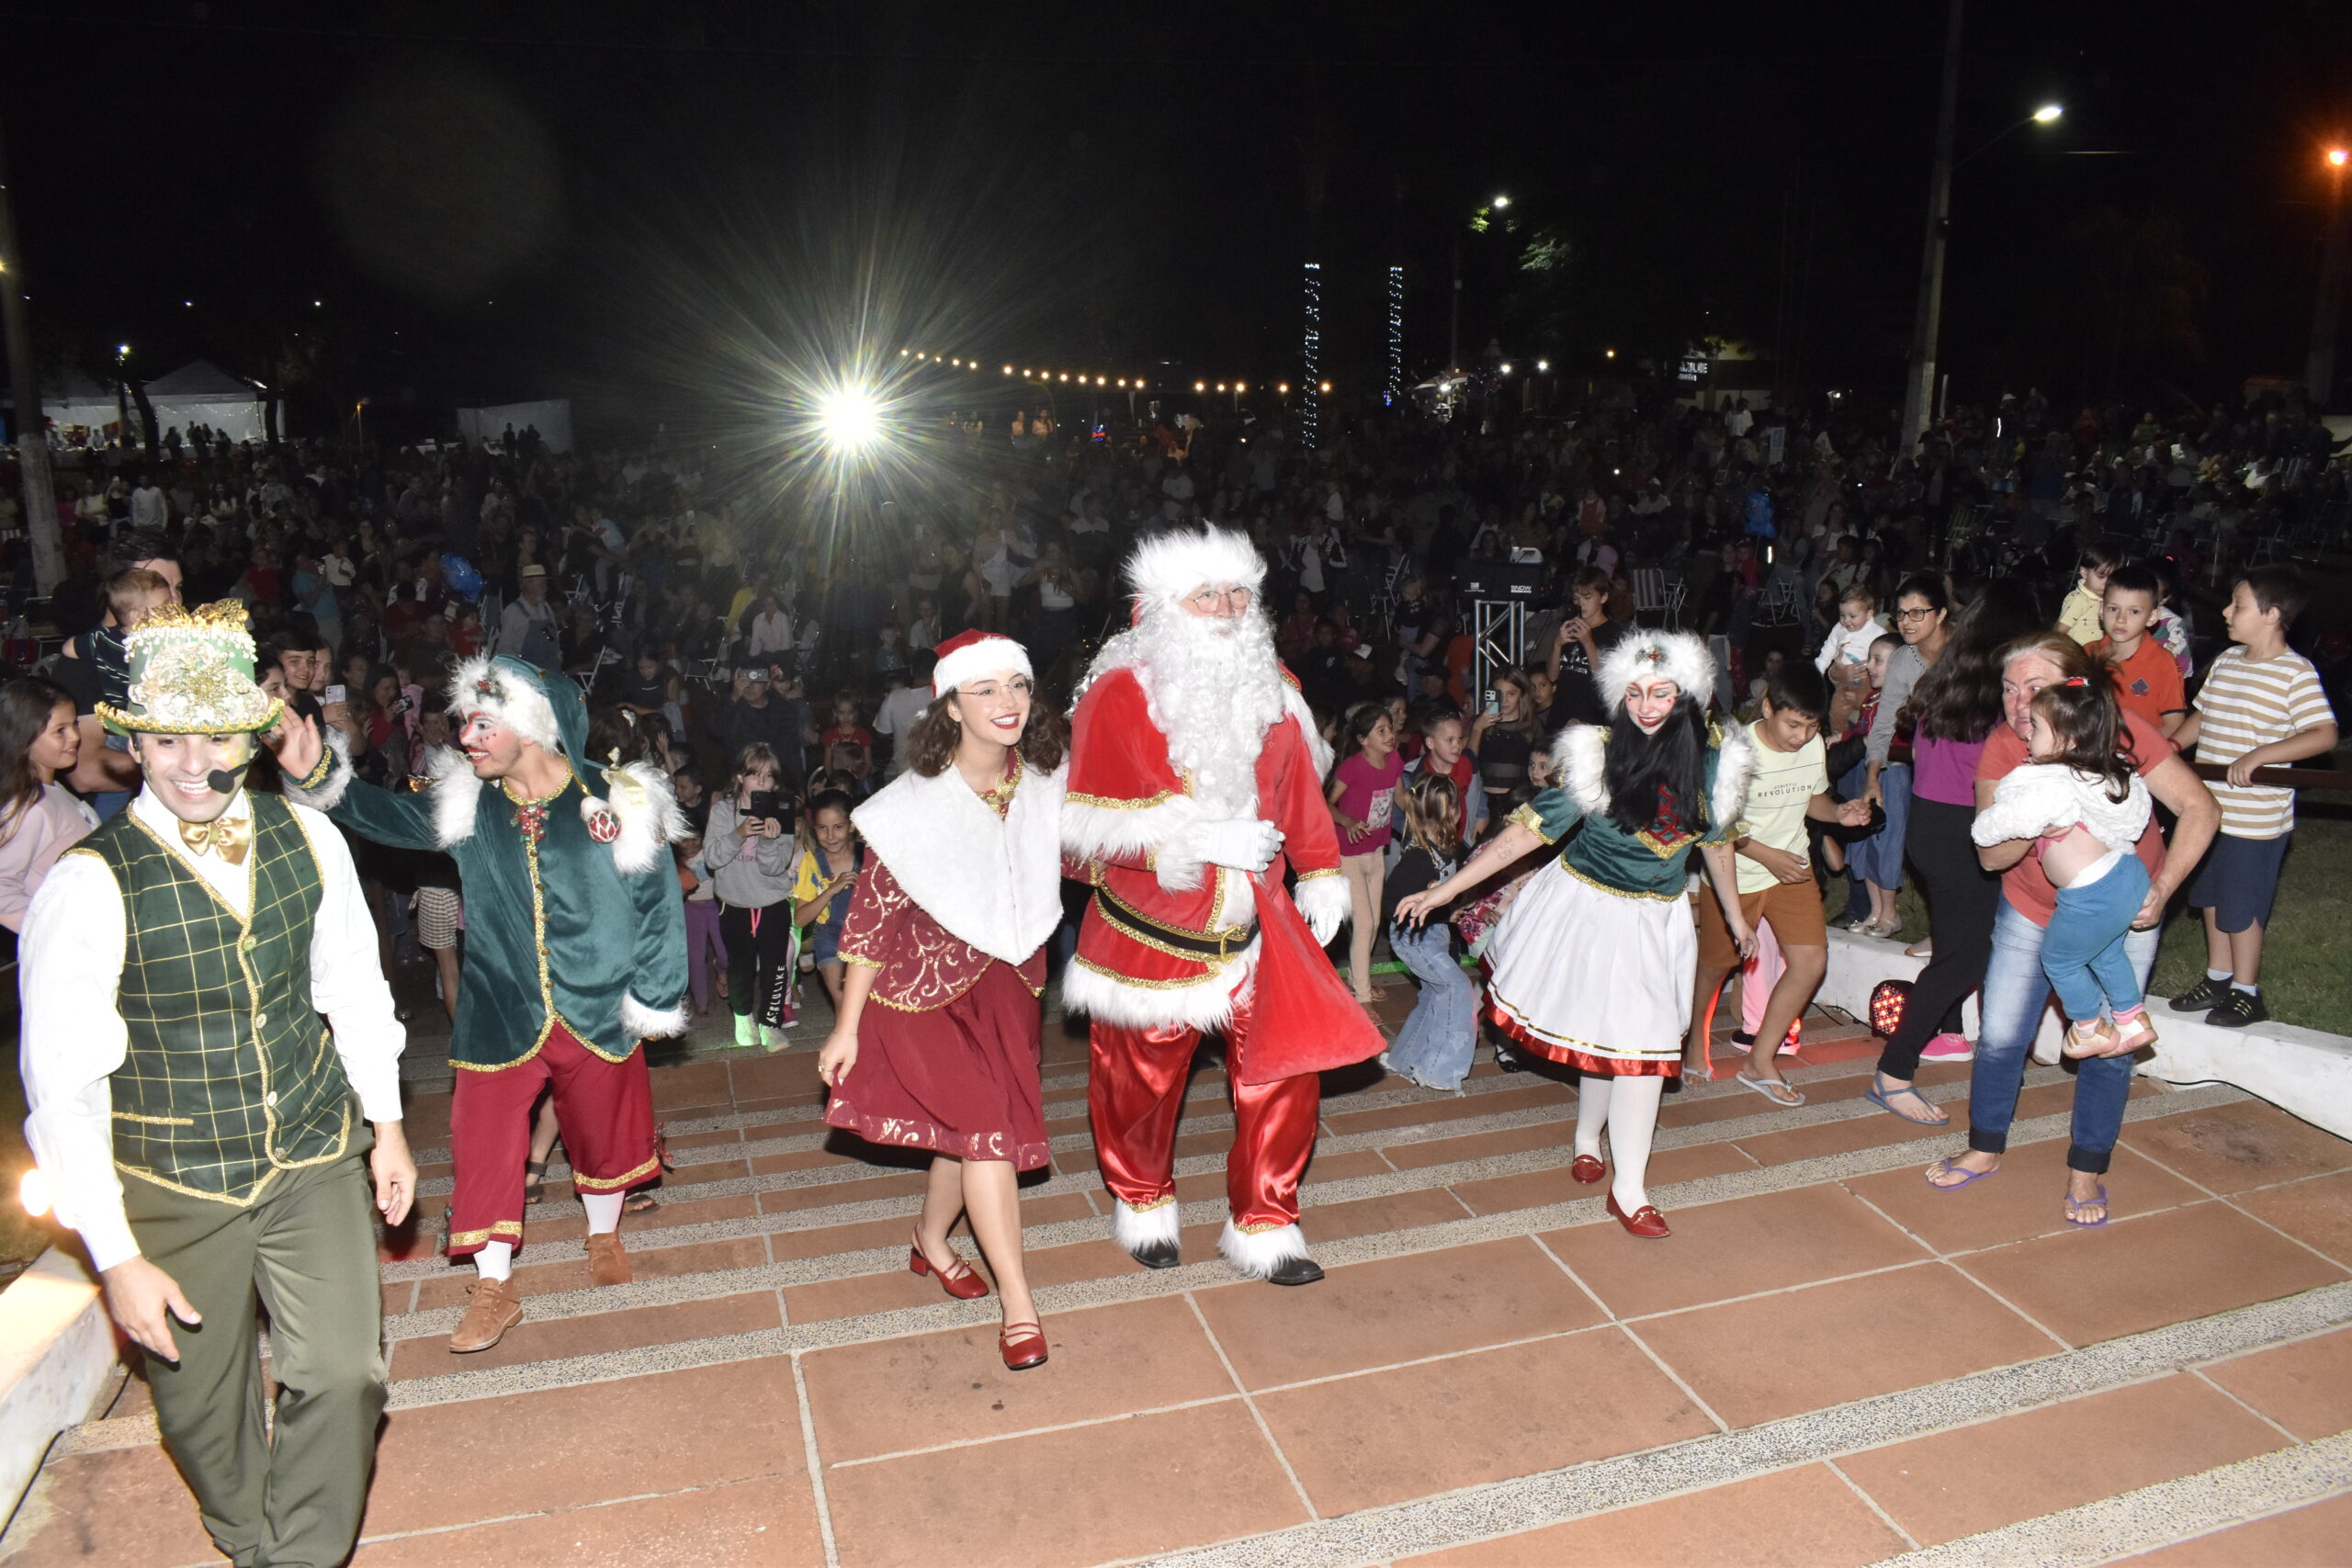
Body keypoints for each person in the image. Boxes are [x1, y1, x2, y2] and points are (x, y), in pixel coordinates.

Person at [21, 602, 412, 1568]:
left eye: (212, 738)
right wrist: (113, 1255)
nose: (192, 764)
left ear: (248, 737)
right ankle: (252, 1540)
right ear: (129, 747)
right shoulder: (87, 884)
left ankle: (302, 1556)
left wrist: (389, 1127)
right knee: (199, 1411)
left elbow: (354, 989)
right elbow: (63, 1085)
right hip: (172, 1177)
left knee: (345, 1373)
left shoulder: (311, 840)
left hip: (314, 1150)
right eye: (164, 739)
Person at [274, 652, 687, 1351]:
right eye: (465, 721)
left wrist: (653, 993)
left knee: (605, 1130)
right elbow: (380, 815)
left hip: (598, 1003)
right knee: (483, 1137)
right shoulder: (467, 802)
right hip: (499, 1009)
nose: (464, 736)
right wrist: (320, 773)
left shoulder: (618, 798)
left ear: (528, 725)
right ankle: (494, 1286)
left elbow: (657, 902)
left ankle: (602, 1234)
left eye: (481, 723)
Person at [1060, 527, 1373, 1284]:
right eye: (1209, 594)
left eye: (1239, 593)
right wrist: (1186, 843)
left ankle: (1266, 1222)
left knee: (1287, 1072)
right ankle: (1140, 1200)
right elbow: (1083, 831)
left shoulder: (1273, 684)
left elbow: (1299, 789)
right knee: (1137, 1084)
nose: (1229, 608)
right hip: (1153, 930)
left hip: (1256, 926)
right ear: (1166, 606)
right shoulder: (1118, 693)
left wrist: (1322, 869)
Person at [1397, 629, 1756, 1237]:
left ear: (1689, 694)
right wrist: (1444, 890)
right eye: (1636, 692)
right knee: (1610, 1035)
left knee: (1639, 1046)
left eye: (1662, 692)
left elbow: (1716, 843)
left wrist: (1737, 913)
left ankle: (1625, 1179)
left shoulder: (1717, 763)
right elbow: (1526, 834)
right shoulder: (1598, 757)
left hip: (1660, 920)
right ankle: (1597, 1145)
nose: (1646, 704)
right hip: (1590, 911)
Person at [818, 630, 1069, 1371]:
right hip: (919, 995)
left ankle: (931, 1238)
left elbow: (1095, 850)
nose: (1006, 702)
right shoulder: (909, 806)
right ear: (951, 705)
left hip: (1010, 987)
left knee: (968, 1134)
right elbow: (868, 920)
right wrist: (845, 1028)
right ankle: (1018, 1305)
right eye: (984, 689)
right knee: (989, 1130)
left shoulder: (1047, 779)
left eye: (1016, 685)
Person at [1928, 631, 2219, 1228]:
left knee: (2112, 1042)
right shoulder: (2008, 748)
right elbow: (1989, 857)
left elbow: (2200, 808)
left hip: (2120, 913)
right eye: (2008, 689)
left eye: (2033, 687)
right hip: (2032, 908)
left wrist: (2162, 892)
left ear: (2074, 685)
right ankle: (1984, 1146)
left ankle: (2087, 1169)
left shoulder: (2124, 729)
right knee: (2003, 1033)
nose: (2016, 703)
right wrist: (2046, 810)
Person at [1864, 581, 2043, 1122]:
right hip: (1966, 829)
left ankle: (1961, 1037)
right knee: (1966, 956)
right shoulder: (2001, 696)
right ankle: (1894, 1072)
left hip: (1929, 824)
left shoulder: (1946, 680)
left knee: (1968, 946)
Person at [1687, 661, 1872, 1106]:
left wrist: (1840, 813)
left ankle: (1760, 1059)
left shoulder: (1812, 748)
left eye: (1811, 726)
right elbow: (1717, 827)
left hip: (1790, 868)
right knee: (1715, 967)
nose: (1801, 736)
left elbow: (1813, 799)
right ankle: (1695, 1039)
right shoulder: (1735, 753)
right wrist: (1768, 856)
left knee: (1810, 961)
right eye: (1793, 724)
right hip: (1739, 874)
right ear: (1767, 708)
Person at [2167, 565, 2339, 1027]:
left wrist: (2264, 754)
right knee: (2210, 898)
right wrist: (2170, 747)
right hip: (2208, 811)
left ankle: (2247, 990)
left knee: (2241, 906)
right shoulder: (2226, 662)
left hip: (2255, 819)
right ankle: (2218, 977)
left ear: (2271, 614)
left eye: (2238, 605)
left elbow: (2323, 734)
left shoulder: (2294, 673)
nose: (2226, 610)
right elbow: (2202, 716)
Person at [1971, 671, 2155, 1057]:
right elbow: (2134, 819)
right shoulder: (2107, 773)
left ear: (2067, 740)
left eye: (2036, 727)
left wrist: (1985, 821)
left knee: (2058, 960)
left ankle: (2088, 1026)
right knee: (2106, 953)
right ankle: (2131, 1017)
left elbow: (1996, 827)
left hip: (2090, 893)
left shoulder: (2047, 783)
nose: (2027, 735)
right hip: (2129, 877)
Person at [1380, 774, 1477, 1091]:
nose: (1455, 816)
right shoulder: (1419, 857)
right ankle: (1437, 1070)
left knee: (1435, 993)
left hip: (1435, 935)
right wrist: (1428, 897)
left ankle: (1403, 1059)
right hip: (1412, 936)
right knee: (1456, 988)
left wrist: (1451, 909)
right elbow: (1391, 903)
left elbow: (1468, 876)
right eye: (1452, 809)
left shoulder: (1453, 847)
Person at [706, 743, 799, 1048]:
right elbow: (713, 858)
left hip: (772, 902)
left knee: (776, 965)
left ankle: (770, 1024)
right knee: (740, 965)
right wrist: (740, 833)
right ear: (739, 776)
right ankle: (743, 1018)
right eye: (754, 775)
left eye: (769, 776)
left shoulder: (781, 810)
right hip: (734, 903)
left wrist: (769, 841)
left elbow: (775, 868)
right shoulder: (723, 810)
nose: (762, 782)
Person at [0, 678, 97, 931]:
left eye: (75, 724)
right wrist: (49, 934)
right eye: (60, 730)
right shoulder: (31, 807)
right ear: (24, 737)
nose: (75, 736)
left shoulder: (52, 790)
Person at [1326, 705, 1403, 1004]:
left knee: (1372, 924)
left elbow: (1401, 798)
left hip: (1376, 852)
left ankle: (1359, 979)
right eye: (1381, 731)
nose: (1390, 735)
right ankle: (1362, 996)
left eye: (1390, 729)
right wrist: (1347, 822)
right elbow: (1328, 802)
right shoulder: (1353, 767)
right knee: (1365, 923)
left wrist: (1424, 817)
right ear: (1363, 740)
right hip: (1349, 855)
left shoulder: (1394, 760)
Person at [2088, 563, 2188, 739]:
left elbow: (2174, 724)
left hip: (2137, 761)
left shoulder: (2163, 663)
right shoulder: (2087, 653)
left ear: (2151, 617)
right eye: (2113, 609)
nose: (2121, 619)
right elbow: (2071, 693)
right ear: (2101, 610)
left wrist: (2135, 752)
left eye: (2134, 611)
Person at [792, 788, 864, 1013]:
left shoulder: (869, 856)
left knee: (868, 1002)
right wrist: (831, 890)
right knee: (843, 1000)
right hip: (829, 936)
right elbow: (801, 919)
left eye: (838, 827)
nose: (830, 836)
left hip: (866, 936)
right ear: (814, 829)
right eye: (823, 828)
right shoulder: (812, 862)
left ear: (851, 826)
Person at [494, 562, 561, 668]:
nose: (544, 588)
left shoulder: (546, 608)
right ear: (528, 585)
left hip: (546, 671)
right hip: (525, 672)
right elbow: (504, 647)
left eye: (545, 583)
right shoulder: (514, 611)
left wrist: (557, 657)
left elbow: (553, 639)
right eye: (540, 584)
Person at [2058, 542, 2120, 646]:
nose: (2107, 583)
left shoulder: (2107, 600)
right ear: (2085, 572)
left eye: (2112, 578)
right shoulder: (2079, 599)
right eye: (2101, 576)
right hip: (2076, 654)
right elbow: (2059, 632)